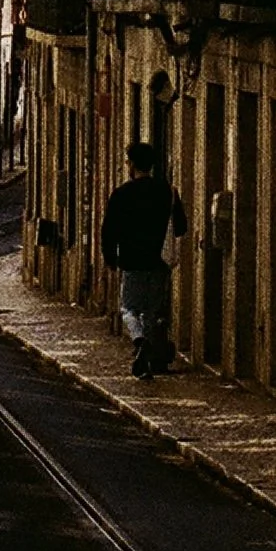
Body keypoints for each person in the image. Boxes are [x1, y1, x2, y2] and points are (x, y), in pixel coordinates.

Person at [100, 138, 186, 379]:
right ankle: (149, 355)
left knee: (128, 309)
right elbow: (181, 227)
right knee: (153, 312)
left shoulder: (121, 194)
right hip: (159, 263)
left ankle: (139, 342)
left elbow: (109, 230)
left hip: (131, 262)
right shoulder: (168, 192)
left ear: (132, 165)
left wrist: (109, 258)